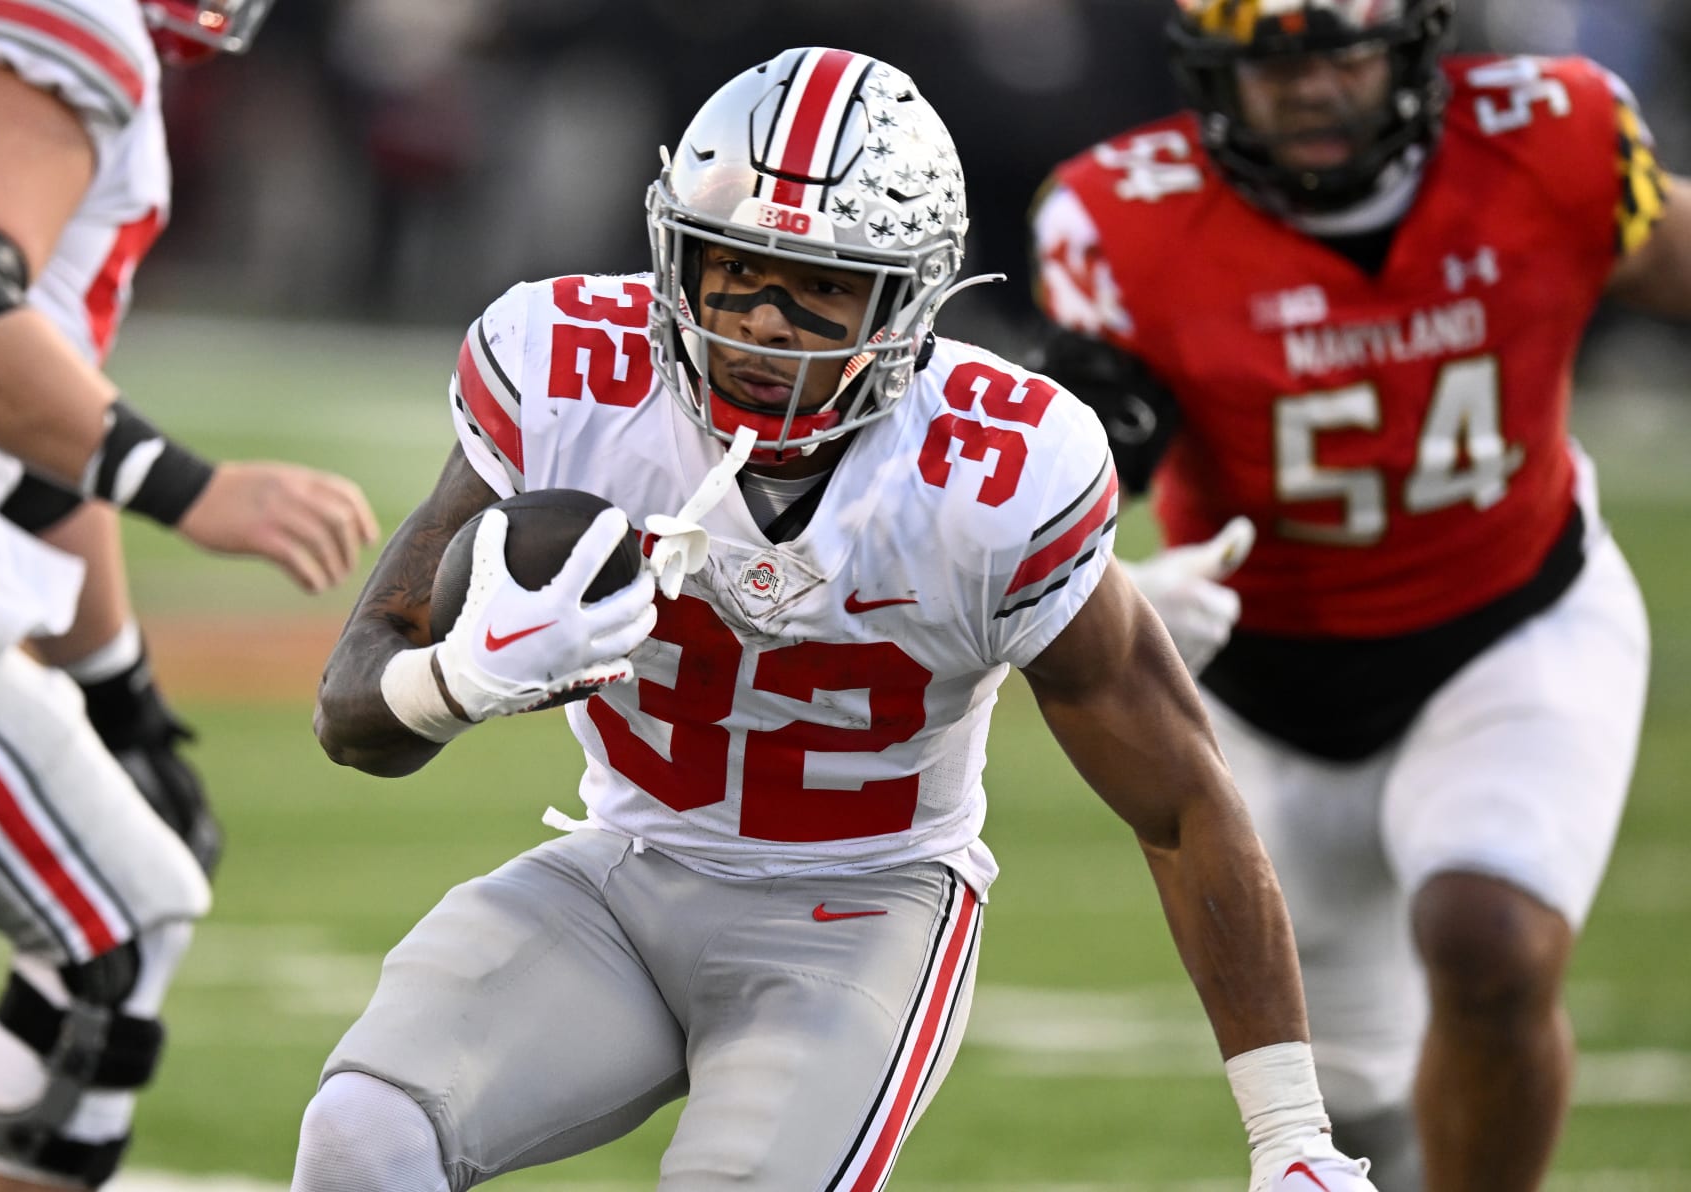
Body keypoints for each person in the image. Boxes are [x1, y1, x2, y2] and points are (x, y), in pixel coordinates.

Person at [296, 45, 1376, 1192]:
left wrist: (1291, 1133)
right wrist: (459, 680)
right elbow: (351, 709)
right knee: (363, 1134)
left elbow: (1181, 803)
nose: (763, 324)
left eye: (820, 287)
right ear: (678, 256)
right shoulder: (566, 373)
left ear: (908, 297)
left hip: (859, 909)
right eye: (735, 269)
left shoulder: (998, 473)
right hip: (622, 869)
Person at [1028, 2, 1690, 1189]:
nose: (1312, 90)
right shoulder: (1118, 216)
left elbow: (1673, 258)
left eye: (1343, 51)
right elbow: (1088, 439)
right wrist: (1101, 562)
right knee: (1357, 1110)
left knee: (1488, 945)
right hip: (1260, 687)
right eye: (1272, 64)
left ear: (1415, 43)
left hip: (1513, 618)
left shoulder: (1556, 134)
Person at [0, 1, 378, 1188]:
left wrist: (120, 699)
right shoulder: (64, 21)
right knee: (118, 917)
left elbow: (25, 428)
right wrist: (193, 488)